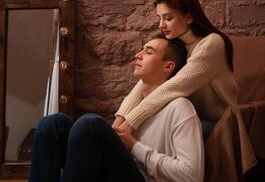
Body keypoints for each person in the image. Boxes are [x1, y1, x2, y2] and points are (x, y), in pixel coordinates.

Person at [29, 34, 205, 182]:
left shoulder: (180, 107)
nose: (138, 54)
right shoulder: (135, 104)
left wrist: (135, 146)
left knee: (90, 125)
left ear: (168, 66)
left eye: (149, 52)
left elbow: (191, 175)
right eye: (142, 49)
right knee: (53, 124)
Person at [113, 0, 238, 136]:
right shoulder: (176, 43)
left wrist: (131, 123)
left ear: (189, 17)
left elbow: (174, 87)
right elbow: (143, 84)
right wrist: (118, 124)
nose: (161, 25)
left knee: (152, 133)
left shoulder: (211, 43)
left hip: (218, 123)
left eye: (168, 18)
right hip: (186, 118)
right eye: (160, 18)